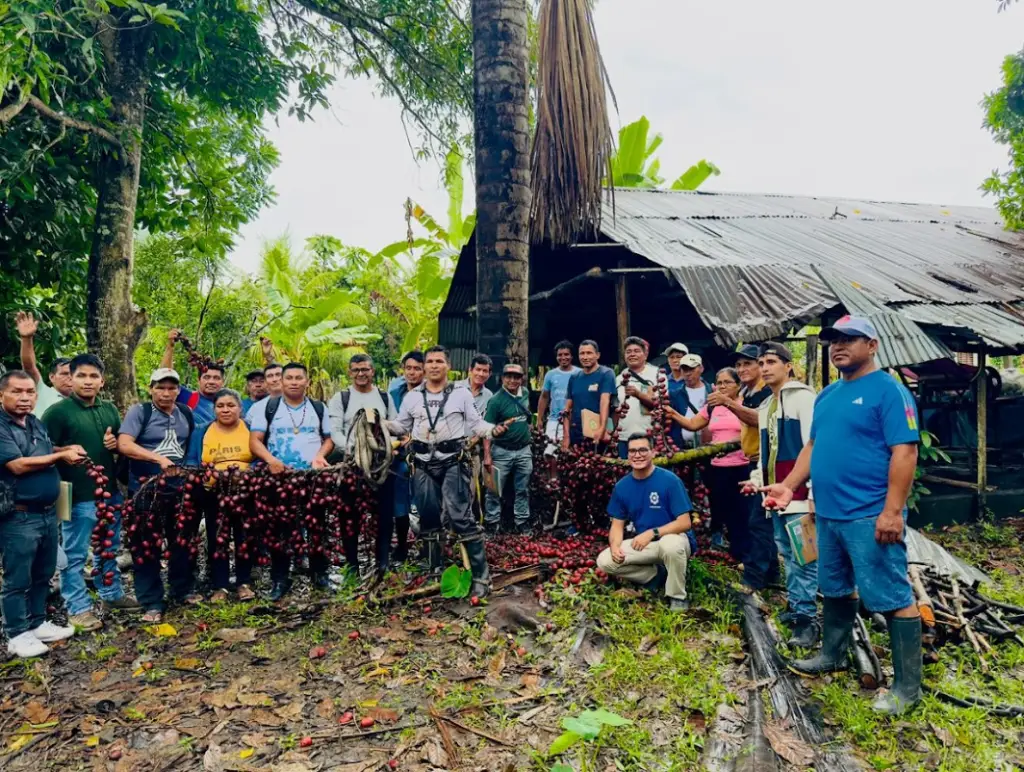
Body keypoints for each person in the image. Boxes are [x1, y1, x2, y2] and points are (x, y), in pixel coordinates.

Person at [761, 317, 921, 714]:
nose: (838, 346)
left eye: (849, 339)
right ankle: (831, 654)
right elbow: (813, 446)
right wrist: (789, 485)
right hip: (828, 514)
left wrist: (892, 512)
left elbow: (905, 452)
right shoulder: (828, 395)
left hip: (868, 514)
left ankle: (906, 690)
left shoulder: (889, 392)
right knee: (834, 587)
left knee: (892, 595)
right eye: (834, 340)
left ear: (873, 344)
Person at [387, 346, 508, 597]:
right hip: (421, 463)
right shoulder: (412, 398)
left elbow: (476, 423)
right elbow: (401, 426)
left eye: (438, 361)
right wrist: (381, 423)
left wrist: (492, 430)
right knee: (428, 517)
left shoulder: (461, 394)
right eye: (429, 361)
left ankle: (481, 577)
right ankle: (435, 569)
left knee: (460, 516)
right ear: (423, 368)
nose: (433, 365)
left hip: (453, 461)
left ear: (447, 366)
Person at [42, 353, 139, 631]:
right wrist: (64, 451)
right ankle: (78, 608)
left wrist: (114, 444)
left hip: (108, 492)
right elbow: (39, 448)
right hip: (72, 493)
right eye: (81, 375)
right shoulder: (57, 413)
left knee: (108, 547)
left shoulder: (108, 409)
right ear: (70, 379)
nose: (87, 381)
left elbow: (122, 444)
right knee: (74, 555)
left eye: (93, 376)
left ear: (102, 381)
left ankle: (112, 595)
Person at [0, 370, 81, 657]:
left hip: (47, 513)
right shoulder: (2, 426)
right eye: (17, 392)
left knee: (43, 572)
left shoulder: (34, 422)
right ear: (2, 395)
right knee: (17, 577)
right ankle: (17, 633)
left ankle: (36, 624)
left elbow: (45, 449)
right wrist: (60, 457)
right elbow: (17, 465)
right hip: (19, 515)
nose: (24, 398)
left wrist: (64, 448)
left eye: (29, 392)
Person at [743, 342, 819, 648]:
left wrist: (813, 491)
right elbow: (766, 453)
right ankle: (797, 606)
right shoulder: (766, 407)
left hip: (799, 495)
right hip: (776, 495)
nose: (764, 368)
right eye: (761, 362)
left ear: (788, 365)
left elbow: (814, 446)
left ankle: (808, 620)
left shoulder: (804, 398)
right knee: (787, 553)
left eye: (771, 361)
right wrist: (757, 480)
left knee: (805, 557)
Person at [248, 362, 333, 600]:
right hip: (280, 479)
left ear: (307, 382)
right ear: (281, 382)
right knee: (280, 530)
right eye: (290, 378)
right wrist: (270, 460)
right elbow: (255, 440)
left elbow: (329, 439)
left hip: (311, 478)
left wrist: (320, 456)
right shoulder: (270, 408)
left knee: (317, 526)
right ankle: (280, 579)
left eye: (299, 378)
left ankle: (320, 574)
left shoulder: (318, 407)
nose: (294, 382)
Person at [118, 369, 196, 623]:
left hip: (178, 490)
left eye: (171, 388)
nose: (166, 393)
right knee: (145, 546)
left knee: (182, 541)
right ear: (150, 389)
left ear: (178, 390)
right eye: (160, 388)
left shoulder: (185, 412)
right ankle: (151, 601)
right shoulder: (140, 412)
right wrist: (157, 458)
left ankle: (182, 590)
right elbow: (125, 445)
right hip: (144, 490)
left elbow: (189, 447)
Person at [596, 433, 695, 611]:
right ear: (627, 455)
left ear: (653, 452)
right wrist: (615, 546)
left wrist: (652, 533)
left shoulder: (670, 481)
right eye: (633, 451)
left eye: (643, 450)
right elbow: (617, 525)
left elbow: (685, 522)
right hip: (646, 546)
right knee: (605, 561)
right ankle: (655, 576)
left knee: (670, 544)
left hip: (675, 540)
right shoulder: (622, 487)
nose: (637, 455)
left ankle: (677, 596)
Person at [665, 368, 751, 562]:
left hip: (741, 465)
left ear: (738, 385)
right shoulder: (712, 406)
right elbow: (693, 424)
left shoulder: (745, 404)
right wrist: (672, 413)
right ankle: (726, 548)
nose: (722, 386)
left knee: (741, 510)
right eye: (719, 383)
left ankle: (743, 553)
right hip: (717, 465)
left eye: (727, 382)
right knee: (721, 507)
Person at [327, 354, 398, 573]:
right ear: (350, 372)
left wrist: (385, 442)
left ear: (372, 371)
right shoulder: (342, 398)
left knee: (384, 515)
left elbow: (395, 426)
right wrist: (355, 451)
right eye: (356, 370)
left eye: (365, 369)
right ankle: (351, 565)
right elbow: (335, 432)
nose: (361, 374)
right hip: (351, 466)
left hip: (381, 467)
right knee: (349, 516)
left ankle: (383, 563)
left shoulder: (384, 398)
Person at [185, 389, 256, 602]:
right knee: (218, 539)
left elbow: (262, 457)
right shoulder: (201, 431)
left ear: (240, 408)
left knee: (245, 538)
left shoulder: (251, 429)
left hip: (244, 492)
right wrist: (206, 473)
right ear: (214, 409)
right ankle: (221, 586)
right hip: (214, 493)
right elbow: (190, 460)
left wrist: (248, 471)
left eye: (230, 405)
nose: (225, 410)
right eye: (220, 406)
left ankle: (244, 583)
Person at [483, 363, 533, 534]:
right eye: (508, 376)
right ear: (502, 378)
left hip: (524, 451)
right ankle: (492, 523)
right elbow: (487, 430)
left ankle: (522, 521)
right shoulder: (495, 401)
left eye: (516, 377)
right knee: (494, 490)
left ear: (522, 379)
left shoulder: (525, 393)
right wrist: (487, 456)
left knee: (523, 489)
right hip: (502, 451)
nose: (512, 380)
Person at [388, 351, 425, 563]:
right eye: (408, 368)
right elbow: (390, 420)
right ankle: (402, 547)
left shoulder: (431, 393)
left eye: (417, 368)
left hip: (425, 457)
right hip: (399, 457)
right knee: (400, 503)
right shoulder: (395, 392)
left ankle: (427, 546)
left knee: (425, 503)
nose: (412, 373)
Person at [456, 354, 494, 522]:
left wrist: (486, 454)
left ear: (489, 374)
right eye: (477, 369)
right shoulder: (454, 389)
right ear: (470, 370)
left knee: (470, 489)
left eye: (485, 371)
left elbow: (486, 426)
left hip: (472, 451)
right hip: (450, 448)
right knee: (449, 488)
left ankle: (464, 526)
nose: (481, 373)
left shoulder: (489, 396)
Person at [161, 329, 225, 426]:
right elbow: (165, 379)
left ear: (222, 382)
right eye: (207, 377)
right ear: (198, 380)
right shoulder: (189, 398)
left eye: (216, 378)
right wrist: (170, 347)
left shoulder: (229, 405)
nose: (211, 381)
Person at [15, 311, 72, 417]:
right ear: (52, 377)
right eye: (64, 374)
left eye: (74, 374)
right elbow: (29, 367)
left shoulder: (83, 402)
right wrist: (26, 339)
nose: (70, 378)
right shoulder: (42, 391)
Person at [562, 340, 616, 449]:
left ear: (597, 355)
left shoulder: (606, 374)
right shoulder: (574, 378)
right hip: (576, 433)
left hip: (597, 433)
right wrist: (566, 436)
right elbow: (567, 409)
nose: (585, 357)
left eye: (589, 353)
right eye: (582, 353)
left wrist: (602, 428)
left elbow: (604, 401)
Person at [614, 337, 661, 459]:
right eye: (628, 352)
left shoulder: (656, 374)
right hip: (625, 437)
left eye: (636, 351)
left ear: (645, 355)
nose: (632, 354)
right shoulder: (619, 378)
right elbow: (615, 408)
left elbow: (660, 404)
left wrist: (638, 395)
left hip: (650, 436)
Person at [536, 341, 580, 442]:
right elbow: (544, 397)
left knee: (572, 452)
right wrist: (539, 419)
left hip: (574, 421)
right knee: (550, 452)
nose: (563, 358)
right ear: (556, 357)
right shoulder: (550, 375)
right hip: (554, 420)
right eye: (560, 355)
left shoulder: (579, 373)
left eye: (566, 354)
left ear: (572, 356)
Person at [673, 354, 712, 448]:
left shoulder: (712, 391)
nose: (688, 373)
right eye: (685, 370)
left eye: (692, 369)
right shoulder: (675, 395)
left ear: (701, 369)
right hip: (683, 448)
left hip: (710, 446)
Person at [661, 342, 690, 451]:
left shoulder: (692, 381)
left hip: (689, 426)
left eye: (678, 357)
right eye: (671, 357)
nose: (675, 360)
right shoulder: (663, 381)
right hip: (669, 430)